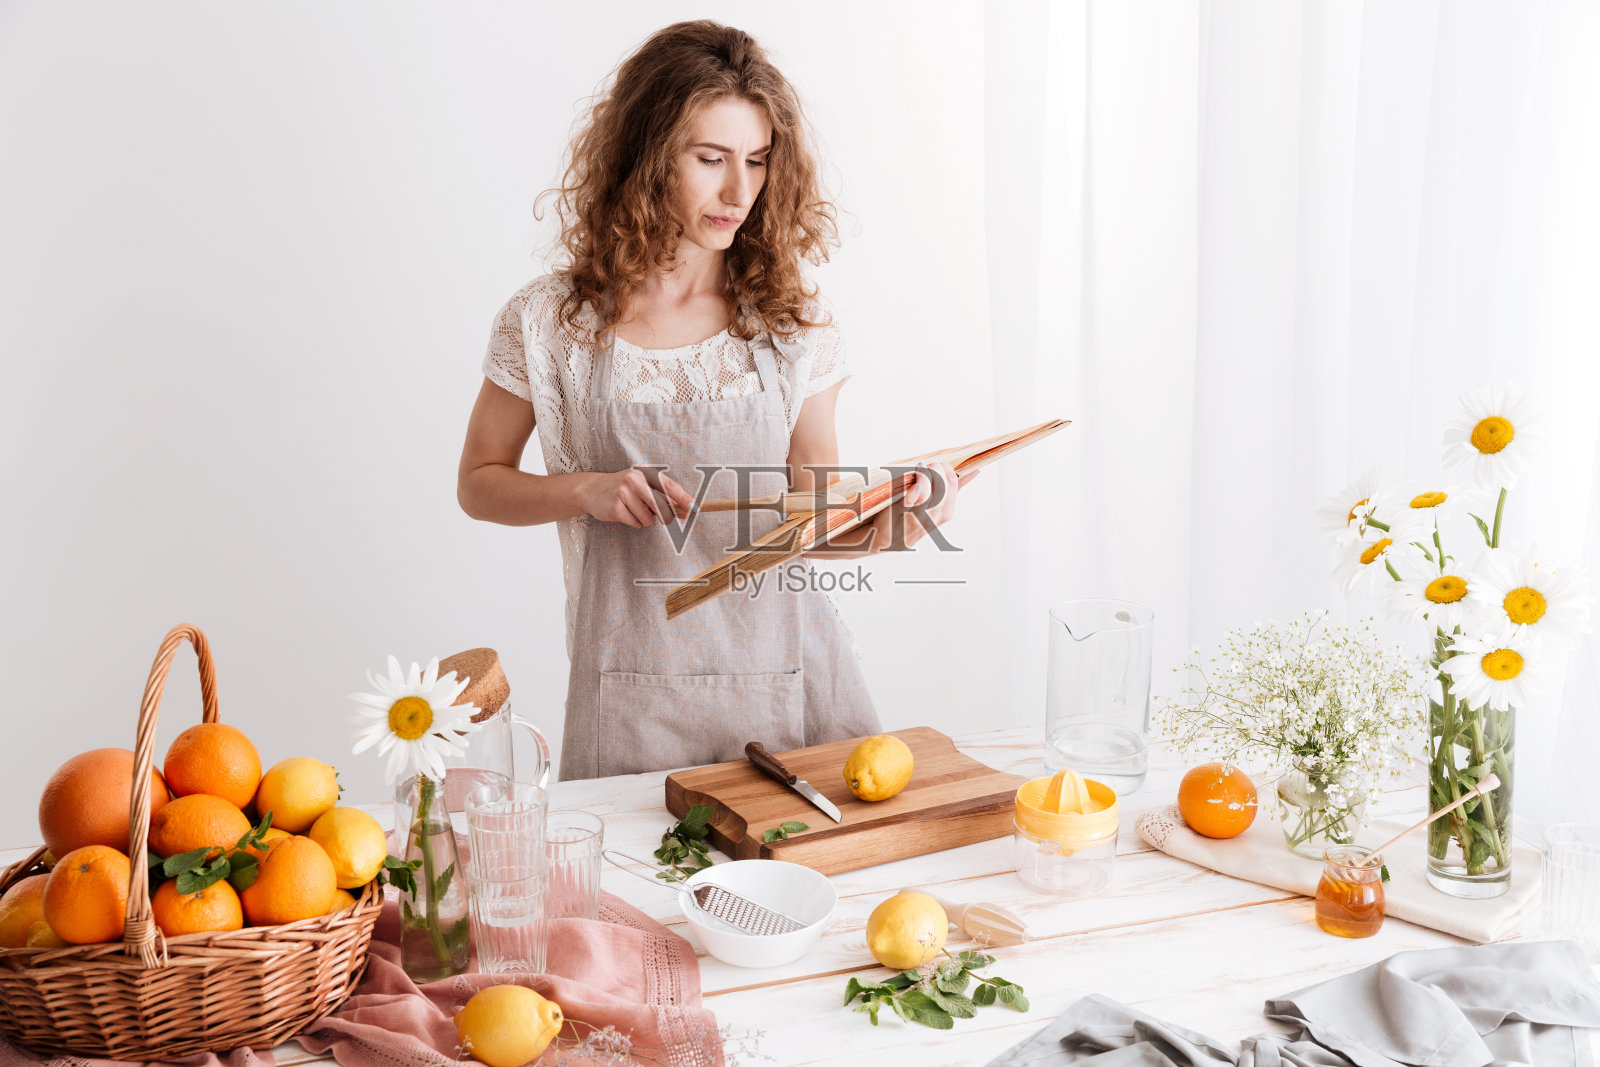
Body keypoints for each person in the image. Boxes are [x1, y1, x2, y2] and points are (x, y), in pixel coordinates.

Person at [457, 20, 976, 780]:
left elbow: (811, 519)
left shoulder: (792, 327)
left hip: (789, 694)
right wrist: (587, 491)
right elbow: (479, 480)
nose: (740, 191)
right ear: (645, 155)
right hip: (628, 697)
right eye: (711, 159)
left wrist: (895, 523)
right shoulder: (550, 322)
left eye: (758, 162)